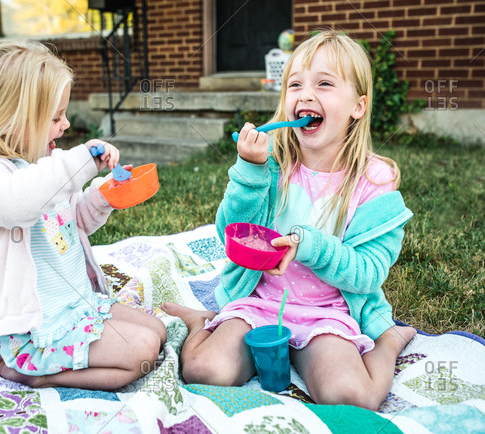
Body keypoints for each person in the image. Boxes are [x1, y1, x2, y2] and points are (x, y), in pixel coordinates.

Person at [163, 30, 416, 411]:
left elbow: (366, 273)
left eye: (325, 84)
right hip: (261, 303)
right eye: (295, 84)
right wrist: (249, 172)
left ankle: (390, 342)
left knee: (352, 396)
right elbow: (228, 234)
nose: (306, 94)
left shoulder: (373, 184)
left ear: (358, 106)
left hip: (329, 313)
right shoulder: (272, 165)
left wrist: (308, 244)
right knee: (203, 369)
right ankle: (203, 322)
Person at [0, 41, 166, 390]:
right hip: (35, 330)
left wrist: (101, 197)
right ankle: (38, 374)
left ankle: (59, 362)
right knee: (143, 350)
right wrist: (79, 162)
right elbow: (14, 204)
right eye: (55, 116)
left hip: (78, 306)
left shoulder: (41, 168)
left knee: (158, 331)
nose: (66, 124)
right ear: (9, 118)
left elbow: (72, 220)